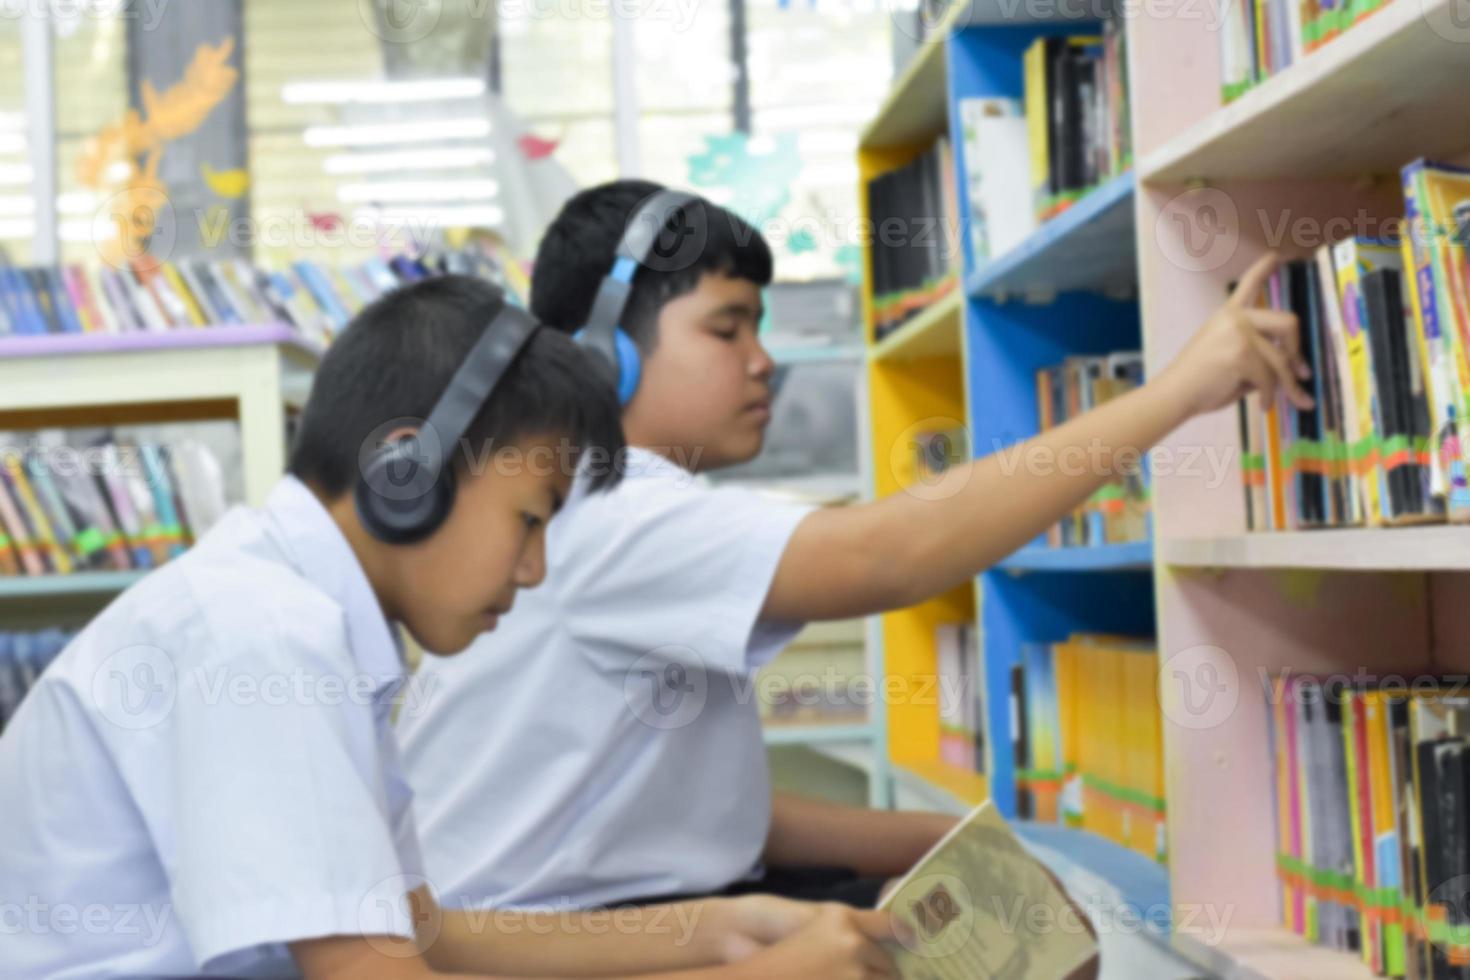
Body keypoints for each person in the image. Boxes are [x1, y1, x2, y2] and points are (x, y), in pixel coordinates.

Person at [397, 181, 1312, 914]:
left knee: (1007, 907)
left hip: (626, 902)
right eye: (727, 327)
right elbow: (890, 555)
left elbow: (698, 814)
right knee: (1010, 934)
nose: (764, 361)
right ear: (606, 357)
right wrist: (1181, 391)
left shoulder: (606, 503)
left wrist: (946, 839)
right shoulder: (615, 511)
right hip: (560, 938)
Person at [0, 275, 900, 979]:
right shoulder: (258, 632)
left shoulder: (312, 621)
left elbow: (420, 931)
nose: (535, 568)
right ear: (407, 478)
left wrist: (717, 932)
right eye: (530, 516)